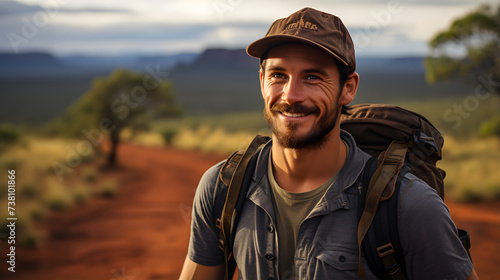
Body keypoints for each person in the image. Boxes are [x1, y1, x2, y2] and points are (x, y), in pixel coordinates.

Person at [179, 7, 478, 280]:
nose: (290, 95)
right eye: (278, 75)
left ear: (348, 89)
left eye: (312, 77)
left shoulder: (409, 206)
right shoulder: (222, 187)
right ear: (261, 81)